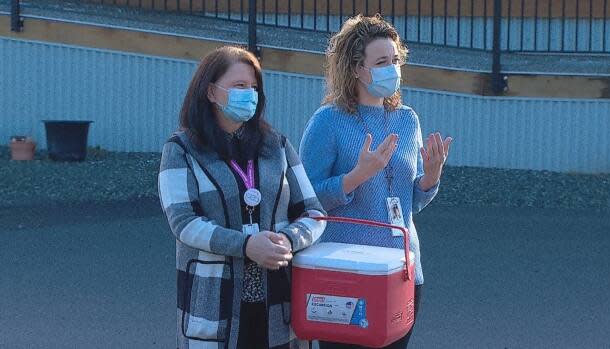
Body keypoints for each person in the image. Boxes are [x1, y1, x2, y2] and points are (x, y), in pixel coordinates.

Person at [299, 15, 453, 349]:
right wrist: (356, 177)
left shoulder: (408, 119)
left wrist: (430, 178)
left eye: (395, 60)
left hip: (402, 270)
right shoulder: (328, 121)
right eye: (382, 62)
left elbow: (409, 200)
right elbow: (305, 199)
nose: (392, 69)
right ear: (356, 68)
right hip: (347, 272)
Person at [158, 46, 326, 349]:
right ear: (211, 91)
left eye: (253, 87)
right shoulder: (181, 149)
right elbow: (183, 222)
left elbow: (314, 212)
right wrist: (246, 246)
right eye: (239, 86)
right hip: (214, 307)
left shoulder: (277, 145)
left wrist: (288, 240)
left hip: (278, 306)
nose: (249, 94)